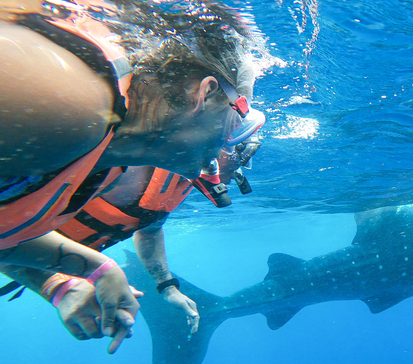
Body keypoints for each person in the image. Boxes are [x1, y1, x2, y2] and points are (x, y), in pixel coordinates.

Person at [0, 0, 262, 352]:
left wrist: (94, 269)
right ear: (203, 93)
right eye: (239, 119)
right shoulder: (71, 109)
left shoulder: (100, 159)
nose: (229, 144)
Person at [0, 131, 263, 342]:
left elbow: (149, 230)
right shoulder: (127, 169)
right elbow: (6, 233)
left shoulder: (178, 180)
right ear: (216, 146)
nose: (246, 165)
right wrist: (59, 288)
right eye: (242, 152)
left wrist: (167, 286)